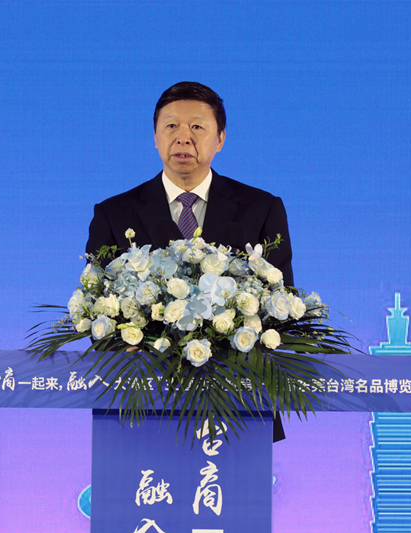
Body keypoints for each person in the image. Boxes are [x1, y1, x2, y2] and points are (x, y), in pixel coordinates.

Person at [86, 81, 293, 441]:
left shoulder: (260, 208)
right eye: (171, 126)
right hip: (143, 405)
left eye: (197, 127)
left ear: (220, 138)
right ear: (155, 137)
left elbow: (282, 304)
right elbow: (95, 308)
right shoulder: (114, 213)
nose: (183, 138)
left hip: (237, 403)